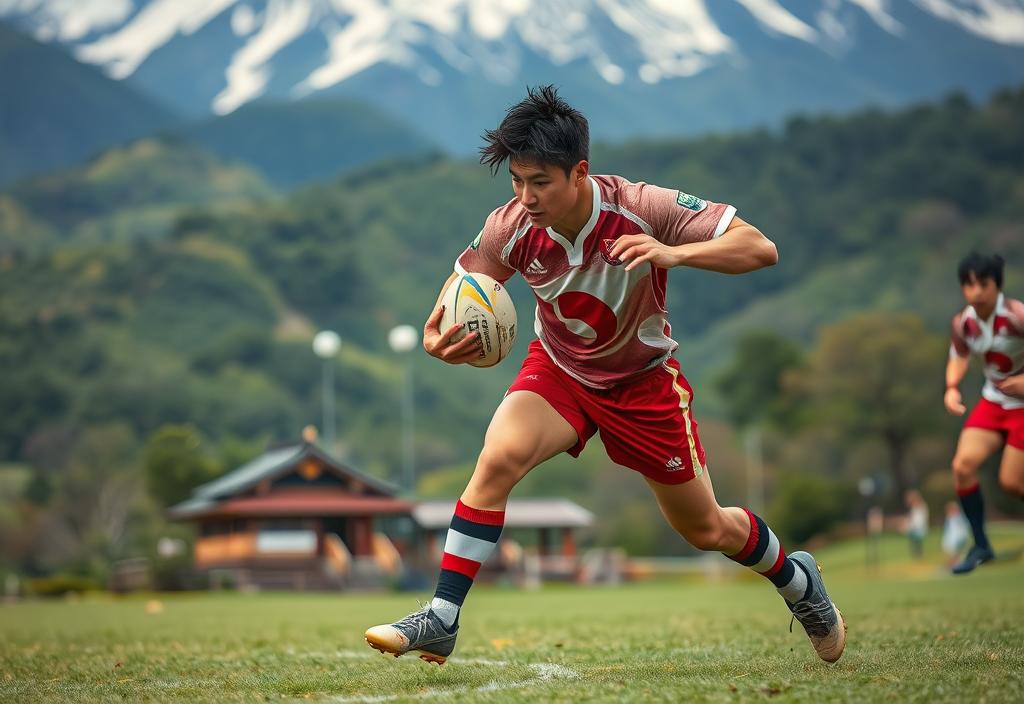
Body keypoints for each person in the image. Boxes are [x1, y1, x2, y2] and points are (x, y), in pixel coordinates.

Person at [364, 85, 846, 664]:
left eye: (539, 181)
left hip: (642, 383)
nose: (526, 196)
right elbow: (468, 277)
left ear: (579, 172)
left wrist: (673, 253)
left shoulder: (643, 207)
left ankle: (797, 581)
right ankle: (442, 617)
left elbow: (759, 248)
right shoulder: (511, 225)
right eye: (516, 181)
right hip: (560, 372)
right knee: (496, 460)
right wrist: (435, 332)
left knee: (706, 529)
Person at [945, 251, 1024, 574]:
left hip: (1022, 406)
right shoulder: (964, 322)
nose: (975, 292)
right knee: (962, 466)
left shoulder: (1017, 316)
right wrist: (952, 386)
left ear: (997, 285)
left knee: (1011, 482)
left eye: (983, 284)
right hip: (993, 401)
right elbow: (959, 355)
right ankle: (981, 545)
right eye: (968, 285)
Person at [941, 501, 969, 567]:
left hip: (959, 538)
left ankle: (954, 564)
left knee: (955, 552)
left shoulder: (959, 517)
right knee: (951, 552)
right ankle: (952, 564)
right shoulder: (949, 518)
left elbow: (964, 527)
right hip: (951, 538)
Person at [903, 490, 929, 559]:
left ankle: (918, 554)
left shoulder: (921, 506)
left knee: (917, 541)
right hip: (914, 527)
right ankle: (916, 554)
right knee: (914, 541)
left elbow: (920, 519)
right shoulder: (914, 508)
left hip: (919, 527)